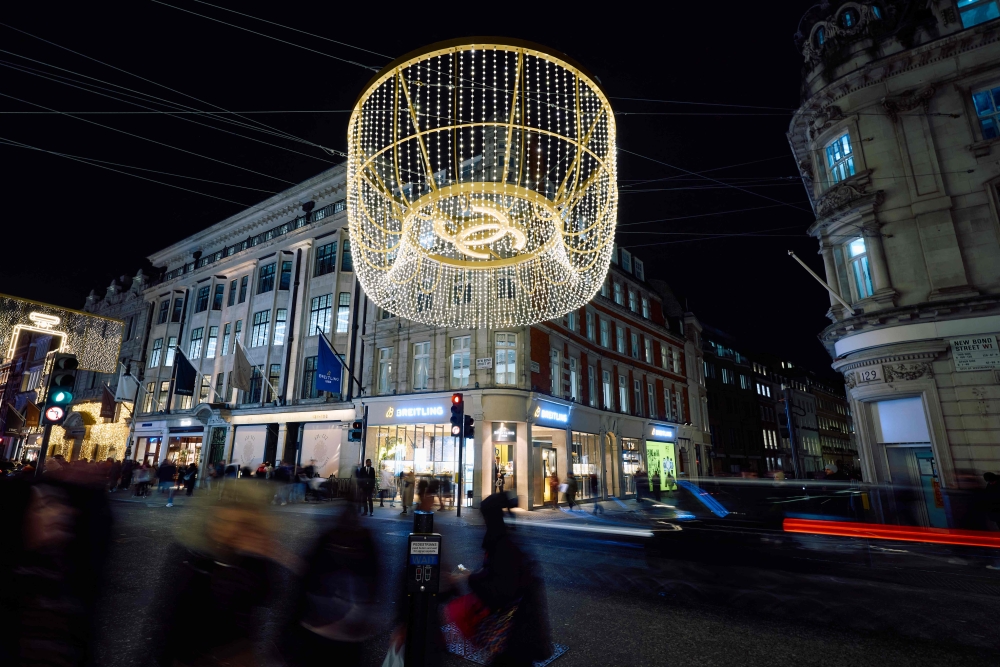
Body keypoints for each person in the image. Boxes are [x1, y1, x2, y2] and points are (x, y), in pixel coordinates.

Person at [464, 493, 552, 667]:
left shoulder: (502, 546)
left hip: (514, 635)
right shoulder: (507, 541)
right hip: (518, 633)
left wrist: (471, 579)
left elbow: (500, 592)